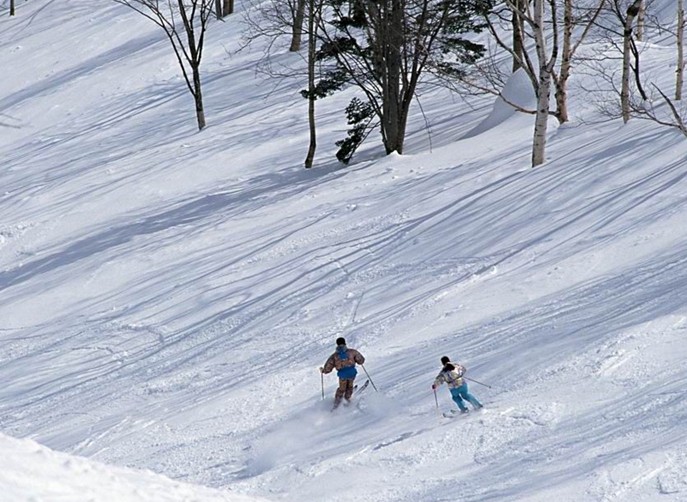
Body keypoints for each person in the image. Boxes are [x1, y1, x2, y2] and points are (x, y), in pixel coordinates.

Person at [320, 337, 365, 409]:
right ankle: (347, 398)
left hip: (342, 375)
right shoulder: (352, 352)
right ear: (345, 343)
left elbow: (328, 367)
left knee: (342, 389)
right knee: (349, 387)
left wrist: (323, 370)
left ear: (337, 344)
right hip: (352, 373)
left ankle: (337, 402)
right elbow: (361, 360)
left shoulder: (334, 356)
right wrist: (360, 361)